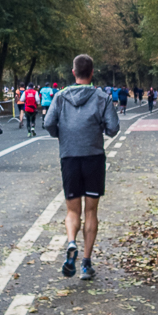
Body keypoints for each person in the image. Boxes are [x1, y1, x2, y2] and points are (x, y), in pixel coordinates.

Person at [45, 54, 119, 281]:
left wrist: (62, 135)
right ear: (92, 72)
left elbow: (48, 123)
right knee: (91, 211)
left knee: (72, 210)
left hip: (69, 158)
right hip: (94, 158)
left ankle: (70, 242)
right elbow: (113, 128)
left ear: (73, 72)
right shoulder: (102, 97)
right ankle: (86, 263)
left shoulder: (60, 97)